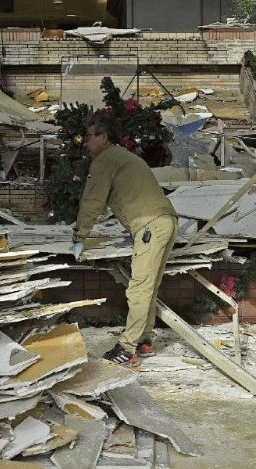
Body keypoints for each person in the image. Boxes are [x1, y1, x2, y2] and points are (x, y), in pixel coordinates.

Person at [73, 112, 178, 367]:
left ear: (103, 137)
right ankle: (144, 340)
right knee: (148, 286)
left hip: (150, 225)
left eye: (88, 137)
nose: (85, 143)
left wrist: (80, 234)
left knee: (139, 288)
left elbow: (93, 200)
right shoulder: (124, 156)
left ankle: (127, 347)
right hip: (166, 221)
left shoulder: (105, 159)